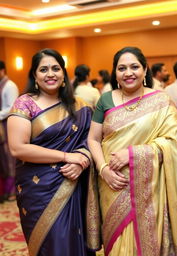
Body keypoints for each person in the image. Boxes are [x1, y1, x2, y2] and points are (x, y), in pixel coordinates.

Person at [88, 46, 177, 256]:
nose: (128, 73)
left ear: (145, 69)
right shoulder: (106, 99)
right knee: (116, 241)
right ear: (115, 72)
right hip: (112, 183)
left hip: (150, 187)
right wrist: (103, 169)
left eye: (134, 67)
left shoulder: (161, 100)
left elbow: (170, 142)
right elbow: (93, 139)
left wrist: (133, 153)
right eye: (122, 68)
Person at [7, 49, 100, 256]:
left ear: (64, 74)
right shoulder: (25, 104)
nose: (51, 74)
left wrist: (82, 160)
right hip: (38, 189)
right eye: (44, 69)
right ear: (34, 76)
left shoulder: (80, 106)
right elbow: (18, 147)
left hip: (75, 183)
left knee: (75, 239)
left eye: (56, 68)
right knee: (52, 243)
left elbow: (93, 140)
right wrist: (67, 157)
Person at [0, 60, 19, 203]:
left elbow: (12, 107)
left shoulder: (10, 86)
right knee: (3, 160)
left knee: (10, 157)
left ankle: (12, 190)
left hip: (8, 124)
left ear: (2, 71)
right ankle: (4, 190)